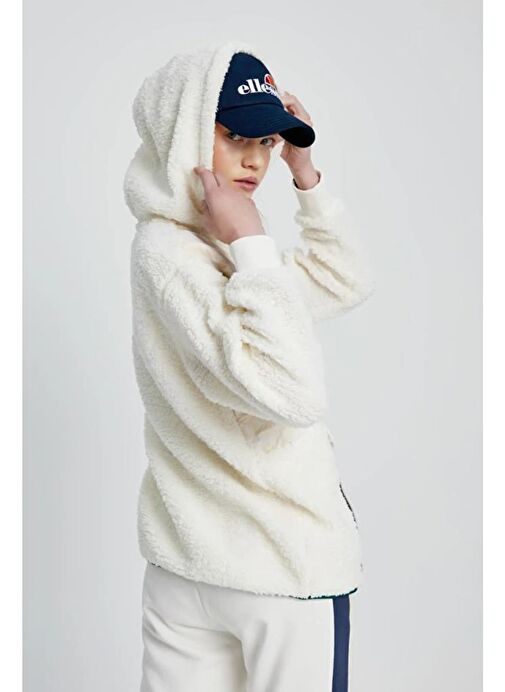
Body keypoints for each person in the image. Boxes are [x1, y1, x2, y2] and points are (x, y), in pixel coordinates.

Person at [123, 39, 375, 692]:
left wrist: (305, 176)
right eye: (234, 135)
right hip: (281, 567)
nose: (255, 159)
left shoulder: (200, 248)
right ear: (181, 131)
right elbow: (294, 394)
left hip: (192, 564)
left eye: (266, 140)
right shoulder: (182, 253)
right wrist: (252, 241)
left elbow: (341, 280)